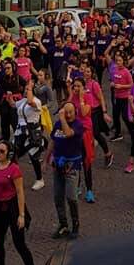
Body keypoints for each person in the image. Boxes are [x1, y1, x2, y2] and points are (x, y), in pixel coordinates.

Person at [46, 102, 84, 239]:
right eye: (65, 112)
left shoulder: (78, 125)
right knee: (57, 197)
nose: (67, 115)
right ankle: (63, 224)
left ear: (75, 112)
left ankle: (75, 224)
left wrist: (62, 119)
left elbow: (68, 133)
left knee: (71, 197)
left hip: (71, 166)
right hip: (58, 165)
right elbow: (52, 141)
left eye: (70, 112)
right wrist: (46, 159)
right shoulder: (57, 125)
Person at [13, 82, 45, 191]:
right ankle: (14, 178)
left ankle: (40, 179)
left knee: (33, 156)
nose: (26, 91)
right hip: (20, 132)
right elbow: (13, 104)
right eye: (26, 89)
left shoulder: (37, 101)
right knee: (14, 153)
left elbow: (31, 102)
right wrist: (8, 97)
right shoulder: (23, 101)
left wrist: (30, 88)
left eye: (29, 89)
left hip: (32, 132)